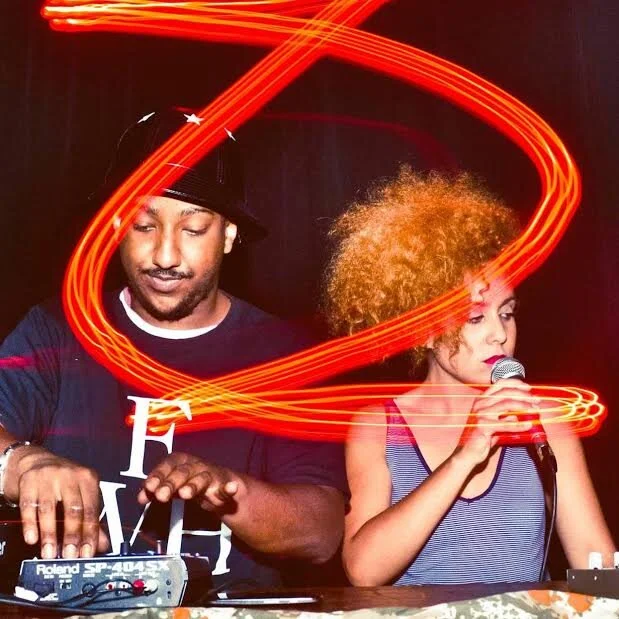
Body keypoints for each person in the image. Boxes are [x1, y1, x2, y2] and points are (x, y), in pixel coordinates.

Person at [0, 108, 347, 591]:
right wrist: (21, 462)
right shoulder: (56, 330)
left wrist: (228, 490)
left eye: (193, 229)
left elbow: (321, 533)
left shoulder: (284, 356)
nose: (165, 255)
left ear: (229, 235)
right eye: (144, 226)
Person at [323, 167, 615, 585]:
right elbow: (363, 571)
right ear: (423, 329)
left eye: (507, 313)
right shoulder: (378, 426)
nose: (500, 333)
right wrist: (465, 456)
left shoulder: (545, 422)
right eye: (476, 318)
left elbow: (596, 564)